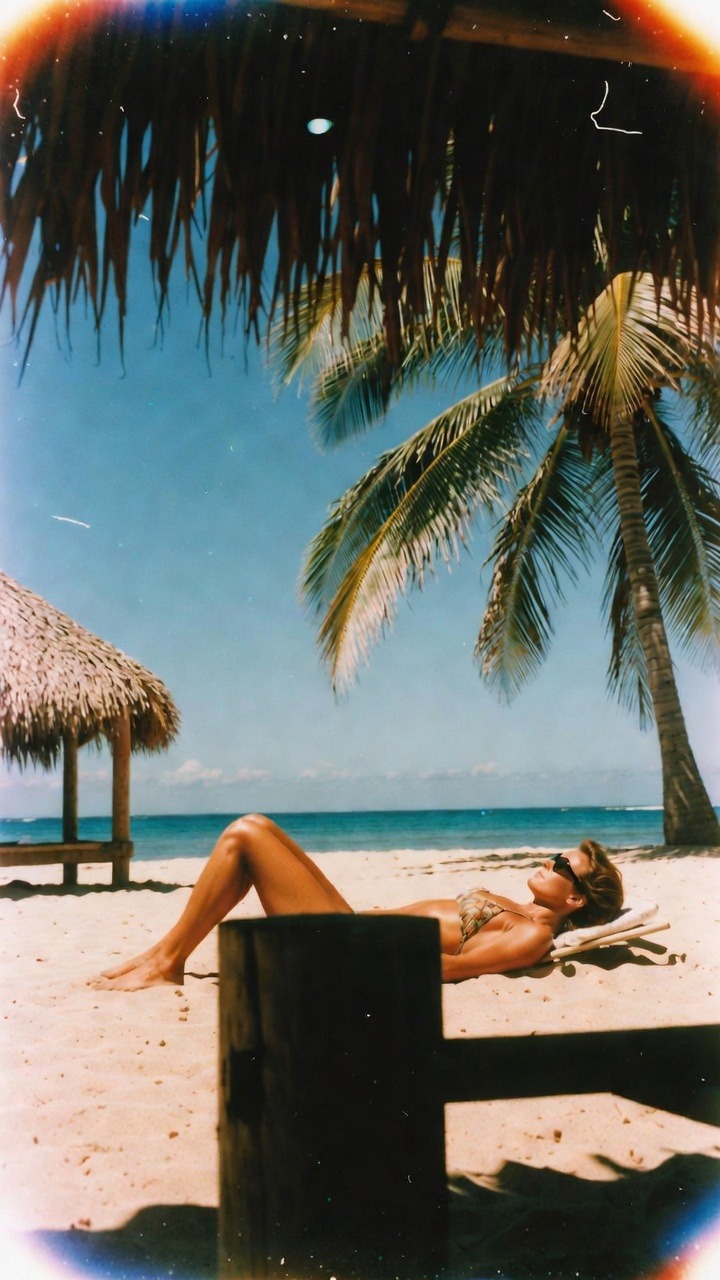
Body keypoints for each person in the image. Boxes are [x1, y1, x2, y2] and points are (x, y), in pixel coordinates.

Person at [95, 813, 624, 989]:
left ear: (576, 899)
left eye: (563, 865)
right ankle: (163, 957)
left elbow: (452, 969)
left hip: (348, 947)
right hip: (349, 927)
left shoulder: (532, 934)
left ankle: (166, 962)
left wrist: (366, 961)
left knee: (245, 835)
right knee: (254, 833)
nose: (550, 860)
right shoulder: (515, 910)